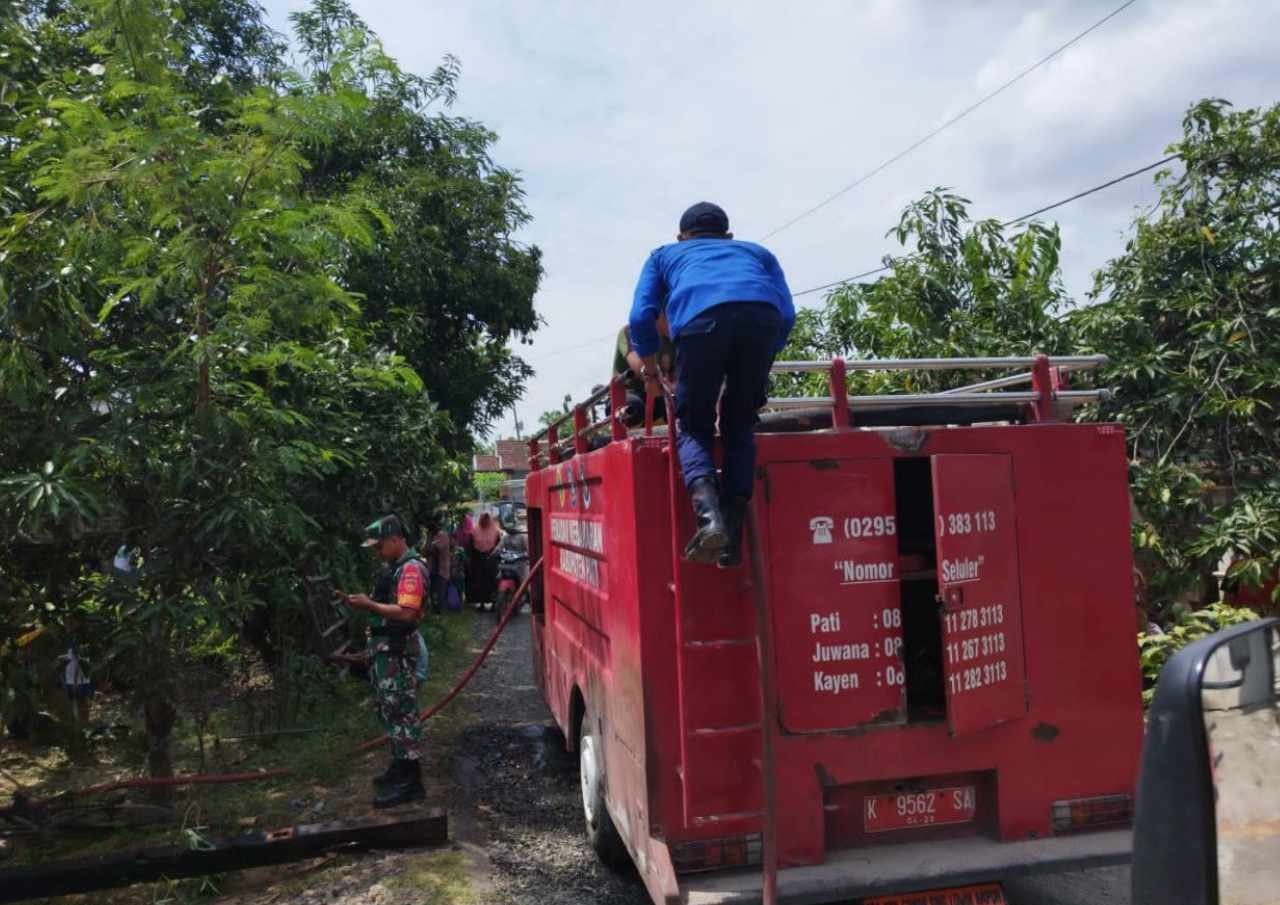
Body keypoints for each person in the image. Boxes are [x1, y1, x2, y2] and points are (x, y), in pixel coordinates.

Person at [629, 201, 795, 568]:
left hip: (699, 324)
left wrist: (652, 367)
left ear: (681, 237)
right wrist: (763, 354)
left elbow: (641, 316)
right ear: (729, 236)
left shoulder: (664, 256)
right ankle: (730, 536)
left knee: (695, 426)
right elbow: (786, 315)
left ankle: (709, 521)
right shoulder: (757, 252)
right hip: (761, 321)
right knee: (740, 424)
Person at [335, 515, 427, 808]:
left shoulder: (411, 569)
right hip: (385, 654)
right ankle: (400, 767)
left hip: (398, 654)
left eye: (379, 547)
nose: (377, 553)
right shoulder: (396, 569)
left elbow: (407, 613)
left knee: (402, 714)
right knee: (390, 713)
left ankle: (411, 783)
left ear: (396, 539)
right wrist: (359, 603)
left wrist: (370, 605)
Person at [612, 312, 675, 426]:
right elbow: (639, 368)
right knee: (633, 406)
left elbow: (678, 378)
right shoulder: (630, 332)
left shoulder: (673, 341)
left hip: (661, 393)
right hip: (628, 393)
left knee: (687, 404)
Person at [467, 512, 503, 609]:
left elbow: (499, 546)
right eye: (483, 519)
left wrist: (495, 556)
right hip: (478, 560)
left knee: (492, 582)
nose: (484, 521)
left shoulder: (495, 531)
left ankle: (494, 604)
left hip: (491, 560)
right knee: (480, 582)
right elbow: (471, 546)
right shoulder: (475, 530)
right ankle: (481, 603)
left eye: (486, 519)